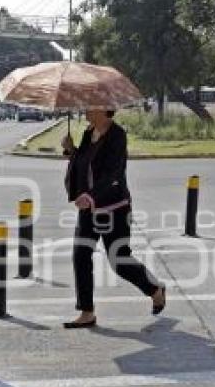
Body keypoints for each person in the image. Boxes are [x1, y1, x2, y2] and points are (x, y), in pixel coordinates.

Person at [61, 109, 166, 329]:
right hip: (89, 209)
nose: (86, 108)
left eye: (90, 105)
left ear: (102, 107)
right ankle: (87, 312)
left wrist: (90, 195)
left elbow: (114, 173)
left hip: (114, 208)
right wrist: (72, 150)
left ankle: (155, 289)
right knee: (80, 256)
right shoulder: (89, 132)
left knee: (119, 261)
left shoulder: (117, 135)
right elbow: (86, 163)